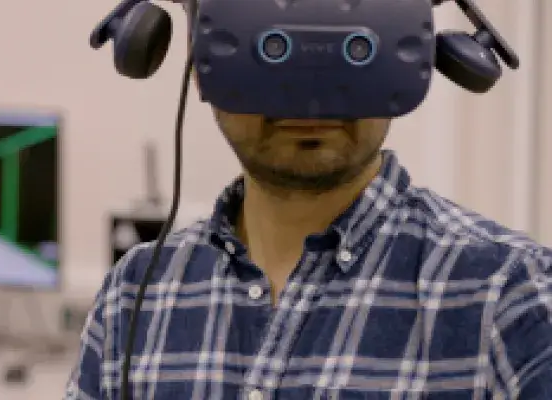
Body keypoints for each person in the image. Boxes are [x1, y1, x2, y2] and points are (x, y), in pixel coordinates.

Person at [66, 26, 552, 400]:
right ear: (199, 61)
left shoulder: (511, 295)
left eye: (352, 45)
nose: (308, 88)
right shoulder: (133, 298)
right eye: (268, 43)